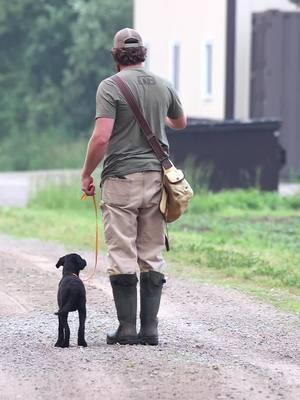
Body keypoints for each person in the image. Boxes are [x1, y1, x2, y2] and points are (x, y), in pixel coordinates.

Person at [81, 27, 186, 345]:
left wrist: (87, 173)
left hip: (120, 180)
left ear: (116, 56)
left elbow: (101, 137)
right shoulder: (163, 85)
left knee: (123, 251)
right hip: (157, 179)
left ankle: (127, 329)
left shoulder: (110, 87)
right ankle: (150, 330)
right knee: (151, 252)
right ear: (143, 54)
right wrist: (159, 121)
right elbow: (179, 122)